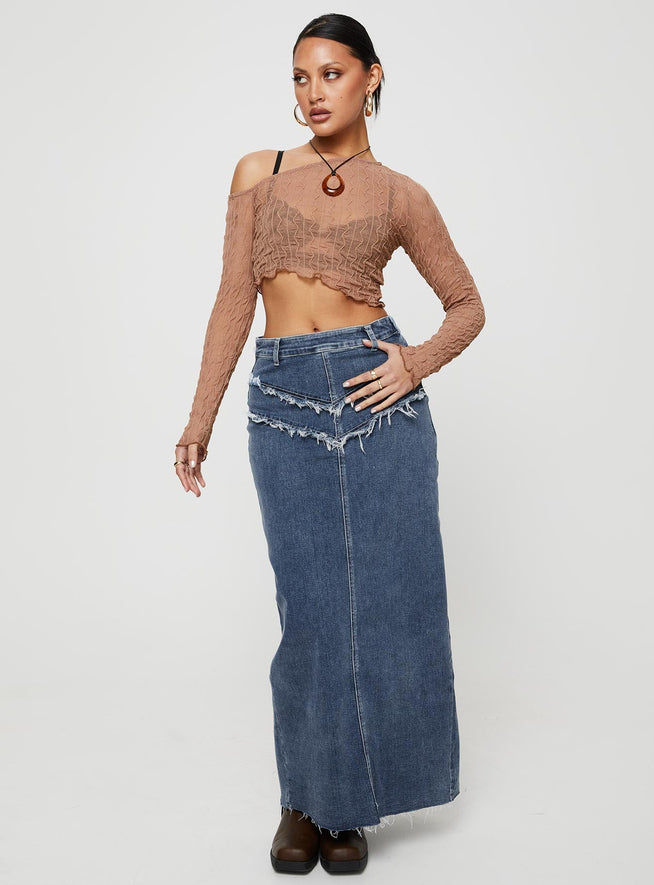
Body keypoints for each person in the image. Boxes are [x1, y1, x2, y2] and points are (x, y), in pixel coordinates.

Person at [174, 13, 485, 876]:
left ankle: (349, 807)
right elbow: (233, 298)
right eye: (300, 77)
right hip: (282, 399)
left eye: (332, 74)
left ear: (371, 78)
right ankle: (302, 799)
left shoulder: (401, 194)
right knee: (309, 613)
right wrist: (199, 418)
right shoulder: (260, 172)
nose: (314, 92)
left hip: (376, 399)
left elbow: (468, 306)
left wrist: (412, 363)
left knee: (384, 606)